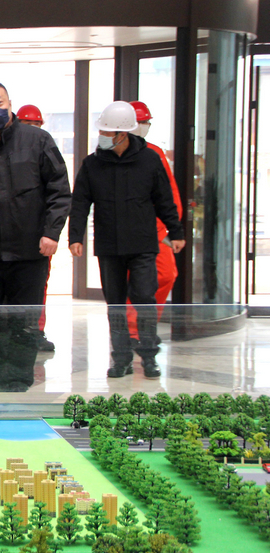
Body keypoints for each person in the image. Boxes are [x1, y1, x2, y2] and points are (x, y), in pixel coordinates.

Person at [0, 81, 71, 392]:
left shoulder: (38, 141)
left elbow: (59, 190)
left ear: (9, 103)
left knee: (24, 321)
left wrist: (52, 232)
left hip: (30, 252)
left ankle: (19, 379)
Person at [68, 101, 185, 379]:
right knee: (116, 304)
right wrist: (75, 236)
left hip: (143, 244)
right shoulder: (92, 164)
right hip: (109, 246)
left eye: (107, 132)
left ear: (123, 134)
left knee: (145, 298)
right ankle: (120, 358)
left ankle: (149, 357)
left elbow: (164, 199)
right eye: (102, 131)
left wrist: (176, 232)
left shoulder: (150, 160)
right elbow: (80, 202)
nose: (102, 136)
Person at [125, 100, 182, 349]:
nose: (143, 126)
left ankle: (145, 327)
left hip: (155, 230)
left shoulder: (156, 154)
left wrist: (170, 227)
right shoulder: (111, 155)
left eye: (146, 122)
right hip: (127, 231)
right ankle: (132, 332)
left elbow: (169, 194)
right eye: (140, 122)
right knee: (131, 281)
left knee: (166, 274)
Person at [18, 103, 55, 352]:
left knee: (39, 287)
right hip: (8, 238)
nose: (33, 130)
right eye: (28, 125)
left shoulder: (46, 152)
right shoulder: (10, 153)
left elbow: (57, 193)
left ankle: (35, 331)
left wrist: (50, 232)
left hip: (38, 237)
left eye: (36, 125)